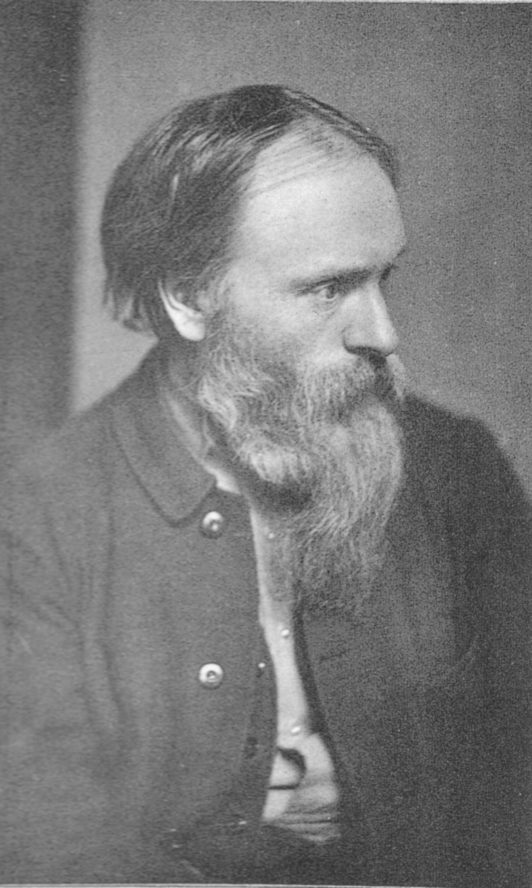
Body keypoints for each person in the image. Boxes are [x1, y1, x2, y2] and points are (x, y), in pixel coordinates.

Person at [1, 84, 530, 887]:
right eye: (328, 289)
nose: (382, 334)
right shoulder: (43, 514)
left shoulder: (456, 468)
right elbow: (47, 845)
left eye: (383, 279)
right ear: (189, 297)